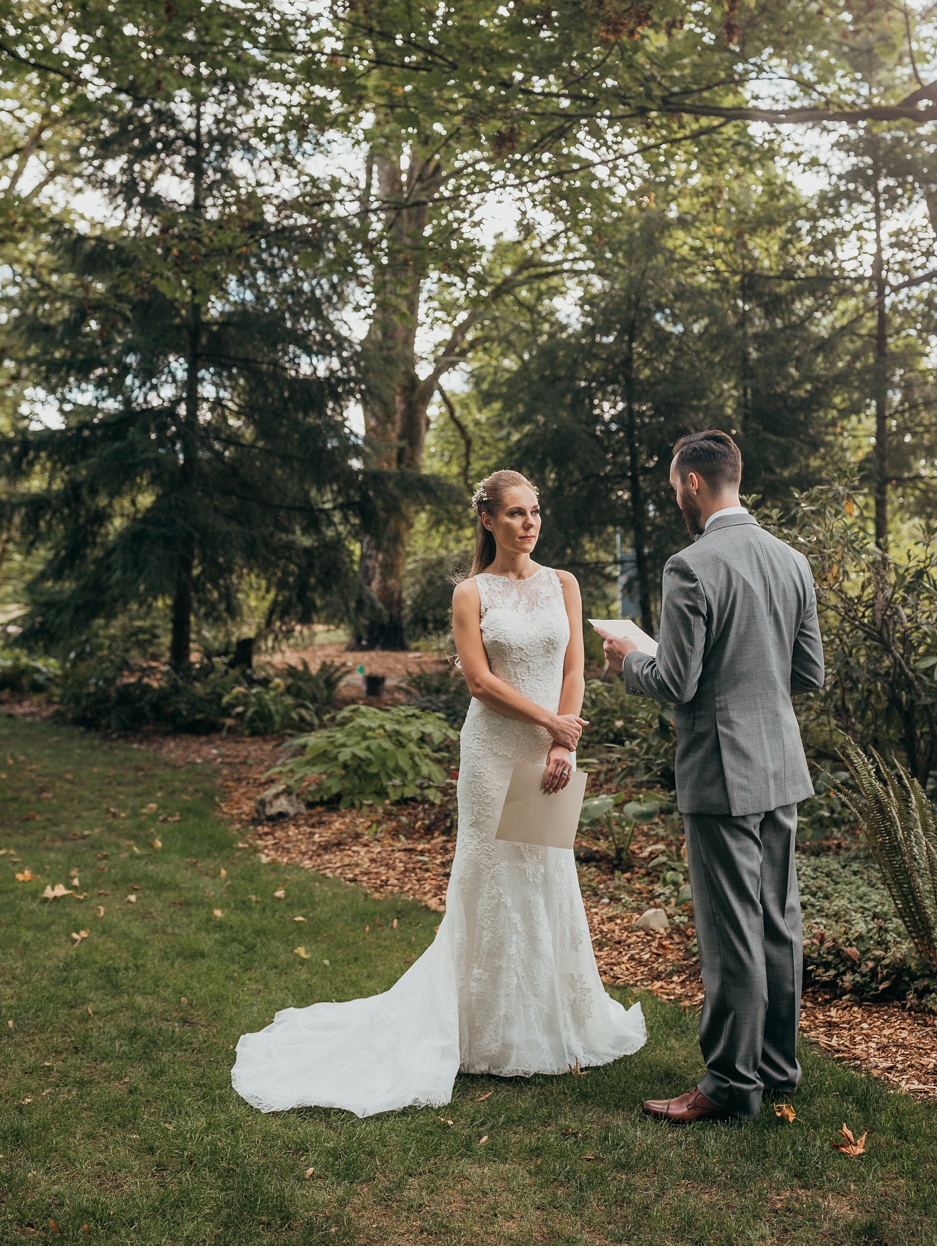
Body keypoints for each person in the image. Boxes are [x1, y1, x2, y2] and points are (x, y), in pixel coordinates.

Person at [232, 468, 645, 1116]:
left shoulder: (564, 583)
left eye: (535, 511)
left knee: (544, 871)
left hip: (549, 748)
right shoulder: (470, 592)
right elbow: (478, 681)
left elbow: (573, 667)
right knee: (491, 878)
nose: (529, 522)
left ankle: (553, 1024)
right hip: (493, 749)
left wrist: (565, 742)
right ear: (488, 519)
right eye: (515, 512)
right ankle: (479, 1032)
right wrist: (547, 722)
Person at [602, 429, 823, 1125]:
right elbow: (808, 672)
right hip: (781, 767)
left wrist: (627, 659)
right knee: (778, 922)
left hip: (722, 773)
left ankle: (730, 1082)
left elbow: (674, 678)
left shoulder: (690, 566)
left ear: (693, 483)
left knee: (732, 933)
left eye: (675, 489)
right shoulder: (792, 560)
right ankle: (777, 1066)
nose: (677, 500)